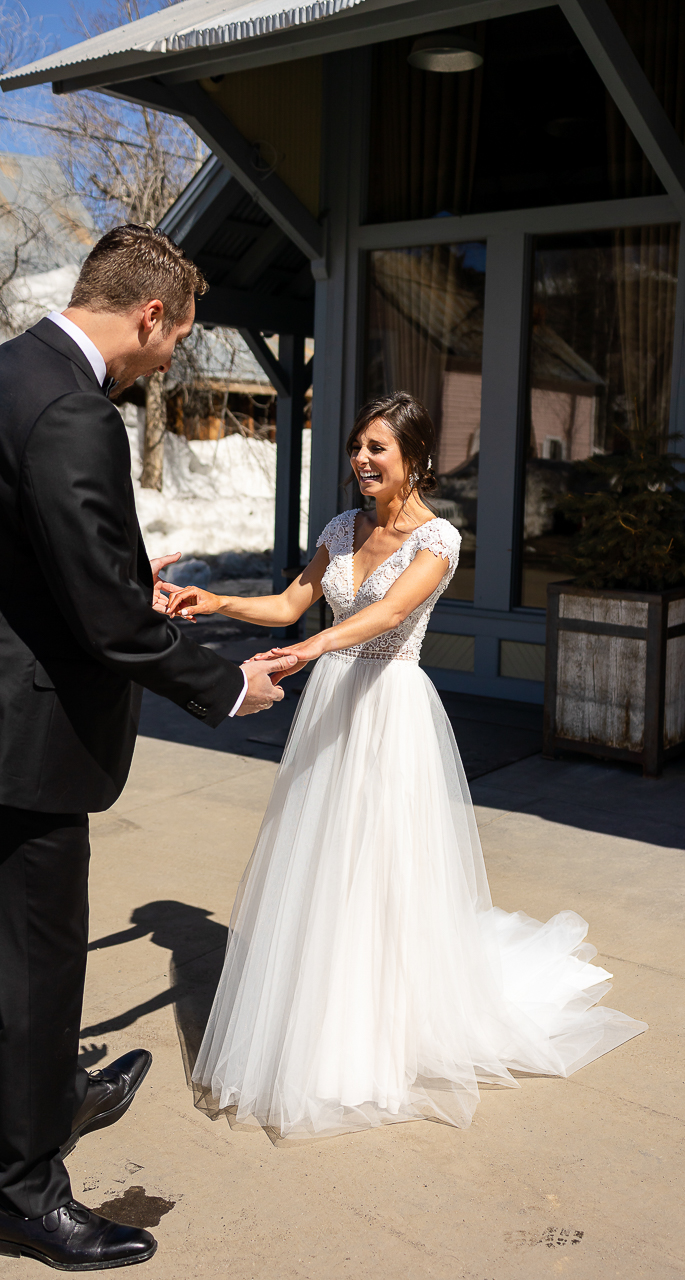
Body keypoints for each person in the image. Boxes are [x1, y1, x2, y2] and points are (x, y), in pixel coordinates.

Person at [165, 392, 647, 1142]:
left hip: (390, 709)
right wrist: (216, 600)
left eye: (377, 448)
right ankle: (324, 1010)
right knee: (323, 862)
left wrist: (315, 647)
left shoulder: (438, 539)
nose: (361, 459)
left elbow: (387, 617)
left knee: (384, 866)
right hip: (330, 705)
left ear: (414, 459)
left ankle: (386, 1030)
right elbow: (294, 602)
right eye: (357, 446)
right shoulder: (338, 528)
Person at [0, 225, 292, 1271]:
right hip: (25, 743)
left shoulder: (11, 373)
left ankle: (49, 1091)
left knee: (16, 956)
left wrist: (123, 571)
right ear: (151, 314)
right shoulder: (75, 410)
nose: (172, 361)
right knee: (37, 962)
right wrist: (224, 681)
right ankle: (26, 1189)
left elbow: (41, 551)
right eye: (177, 339)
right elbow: (108, 625)